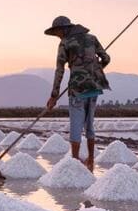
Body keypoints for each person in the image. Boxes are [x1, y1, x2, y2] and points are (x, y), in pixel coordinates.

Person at [44, 15, 110, 171]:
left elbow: (59, 70)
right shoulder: (92, 38)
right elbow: (106, 58)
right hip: (94, 87)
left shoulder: (65, 43)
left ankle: (74, 162)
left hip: (77, 89)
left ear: (64, 29)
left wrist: (54, 96)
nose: (57, 35)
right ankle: (91, 160)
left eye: (57, 32)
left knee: (76, 125)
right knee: (89, 125)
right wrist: (93, 70)